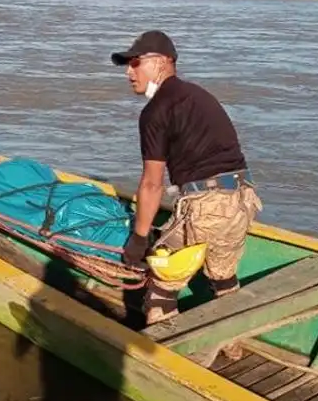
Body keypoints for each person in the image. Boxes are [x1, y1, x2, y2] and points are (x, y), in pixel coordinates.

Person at [111, 31, 263, 325]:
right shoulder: (199, 95)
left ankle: (163, 352)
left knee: (161, 283)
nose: (129, 72)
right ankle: (232, 345)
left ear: (162, 62)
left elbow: (152, 183)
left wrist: (140, 239)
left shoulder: (155, 111)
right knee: (222, 278)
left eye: (135, 63)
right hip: (242, 200)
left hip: (207, 205)